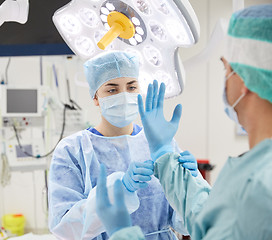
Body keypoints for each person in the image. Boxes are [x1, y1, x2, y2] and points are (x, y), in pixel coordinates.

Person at [96, 4, 272, 240]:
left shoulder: (259, 187)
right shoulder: (256, 174)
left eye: (226, 68)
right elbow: (209, 217)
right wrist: (164, 154)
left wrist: (123, 233)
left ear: (246, 80)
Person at [48, 51, 199, 240]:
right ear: (95, 97)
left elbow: (186, 225)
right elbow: (64, 228)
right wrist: (120, 190)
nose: (124, 96)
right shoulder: (73, 150)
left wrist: (190, 186)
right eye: (112, 90)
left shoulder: (158, 143)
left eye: (131, 87)